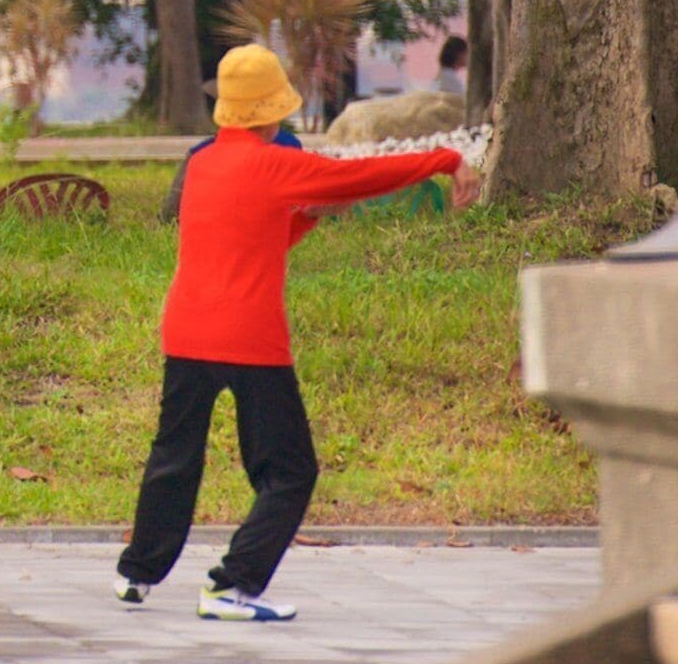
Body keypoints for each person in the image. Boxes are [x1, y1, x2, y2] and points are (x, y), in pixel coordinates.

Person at [116, 43, 477, 624]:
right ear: (270, 111)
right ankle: (232, 585)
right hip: (249, 338)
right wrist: (443, 158)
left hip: (185, 332)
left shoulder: (201, 165)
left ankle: (138, 571)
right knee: (289, 471)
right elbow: (360, 176)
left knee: (175, 455)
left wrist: (303, 218)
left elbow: (255, 242)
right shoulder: (277, 165)